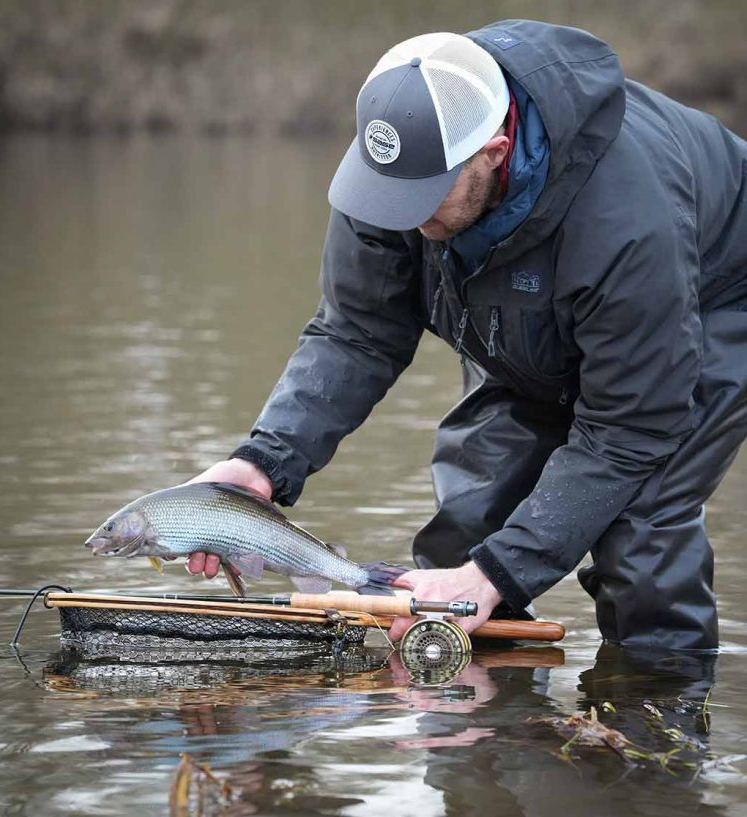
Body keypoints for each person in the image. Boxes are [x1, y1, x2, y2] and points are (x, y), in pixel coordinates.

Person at [186, 20, 747, 650]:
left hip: (712, 300)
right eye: (387, 193)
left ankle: (653, 724)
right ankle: (483, 723)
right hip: (531, 308)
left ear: (495, 154)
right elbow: (357, 331)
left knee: (640, 541)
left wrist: (496, 573)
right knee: (462, 539)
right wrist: (263, 460)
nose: (401, 214)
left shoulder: (630, 224)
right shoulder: (392, 175)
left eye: (424, 196)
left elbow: (628, 433)